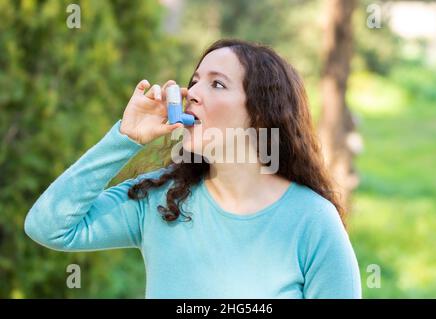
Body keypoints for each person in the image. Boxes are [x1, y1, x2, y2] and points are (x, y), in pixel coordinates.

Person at [24, 39, 362, 299]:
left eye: (216, 84)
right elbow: (49, 227)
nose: (192, 93)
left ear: (260, 115)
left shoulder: (312, 221)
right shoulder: (159, 199)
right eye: (195, 80)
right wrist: (124, 138)